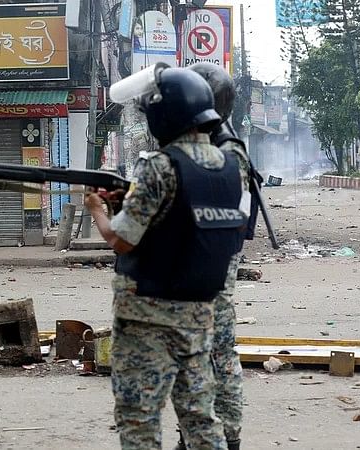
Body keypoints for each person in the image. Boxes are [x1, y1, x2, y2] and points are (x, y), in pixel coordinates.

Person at [86, 64, 248, 449]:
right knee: (200, 417)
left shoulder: (158, 166)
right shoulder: (231, 165)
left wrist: (97, 210)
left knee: (139, 419)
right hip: (198, 314)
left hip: (148, 317)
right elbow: (182, 216)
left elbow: (122, 240)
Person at [172, 62, 257, 450]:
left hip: (214, 267)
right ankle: (193, 435)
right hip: (201, 262)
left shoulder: (225, 152)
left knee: (217, 353)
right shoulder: (211, 144)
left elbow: (205, 211)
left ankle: (228, 437)